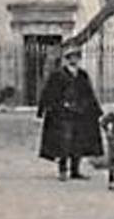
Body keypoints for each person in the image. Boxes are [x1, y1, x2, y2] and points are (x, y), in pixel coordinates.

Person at [36, 49, 104, 181]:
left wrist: (96, 110)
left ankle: (75, 170)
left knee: (78, 142)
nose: (75, 60)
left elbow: (88, 93)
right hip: (62, 114)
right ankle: (62, 170)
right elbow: (49, 92)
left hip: (80, 113)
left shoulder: (82, 75)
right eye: (72, 57)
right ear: (67, 59)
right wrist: (43, 109)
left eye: (77, 58)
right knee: (63, 142)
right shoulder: (58, 75)